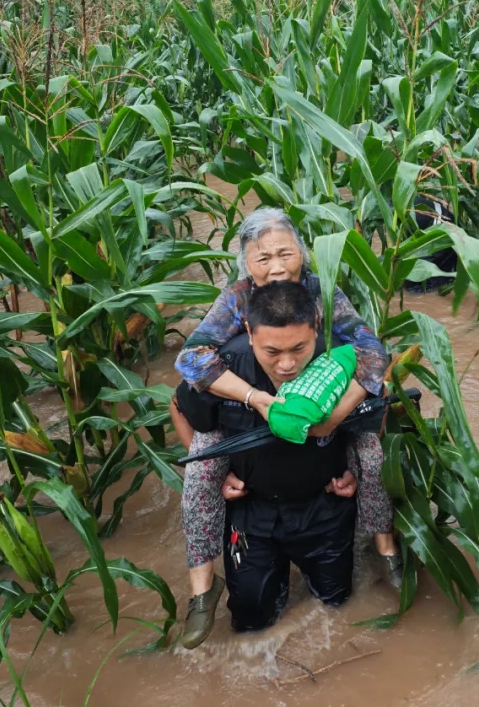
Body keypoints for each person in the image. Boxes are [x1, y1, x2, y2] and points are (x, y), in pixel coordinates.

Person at [171, 207, 399, 649]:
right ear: (246, 264)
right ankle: (201, 587)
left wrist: (333, 421)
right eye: (263, 258)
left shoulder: (322, 294)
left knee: (371, 455)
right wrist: (254, 398)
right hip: (243, 402)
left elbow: (374, 355)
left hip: (325, 408)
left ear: (303, 254)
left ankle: (384, 542)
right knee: (199, 471)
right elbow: (191, 360)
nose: (276, 268)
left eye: (285, 254)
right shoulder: (236, 299)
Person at [175, 281, 360, 633]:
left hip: (324, 506)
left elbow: (372, 413)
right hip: (251, 513)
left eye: (299, 348)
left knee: (337, 604)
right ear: (248, 332)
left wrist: (354, 470)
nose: (287, 364)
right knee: (250, 619)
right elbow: (179, 408)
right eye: (272, 351)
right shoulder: (223, 366)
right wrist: (216, 471)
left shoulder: (340, 359)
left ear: (316, 326)